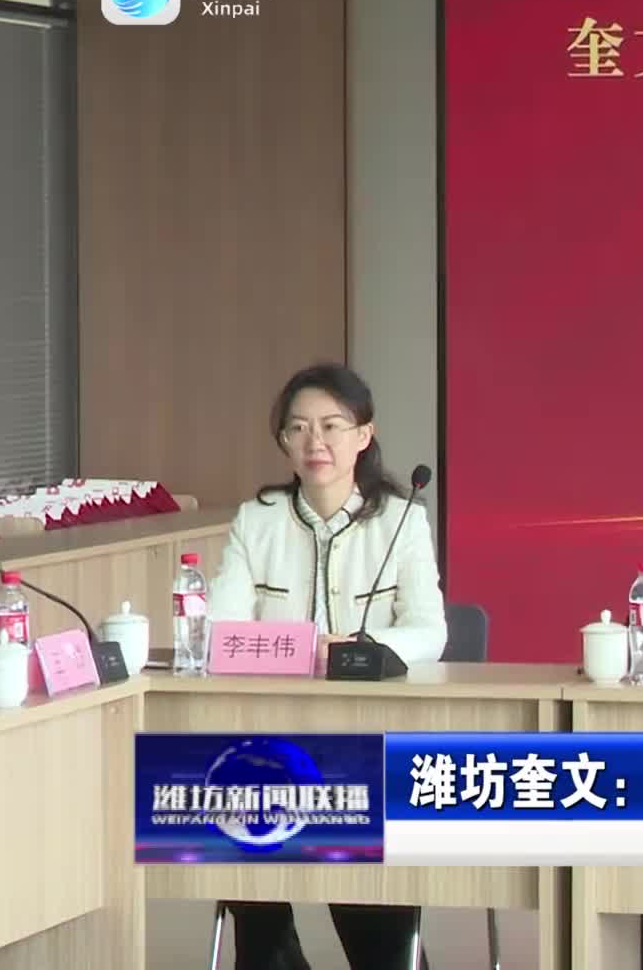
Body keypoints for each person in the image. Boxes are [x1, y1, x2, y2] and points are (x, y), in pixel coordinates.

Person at [207, 362, 447, 970]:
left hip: (370, 734)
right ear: (283, 441)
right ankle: (273, 950)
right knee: (239, 815)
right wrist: (299, 648)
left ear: (364, 435)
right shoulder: (257, 520)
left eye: (332, 426)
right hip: (272, 734)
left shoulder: (401, 520)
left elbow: (430, 631)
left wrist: (354, 652)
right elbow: (218, 633)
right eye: (299, 428)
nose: (316, 442)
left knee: (368, 907)